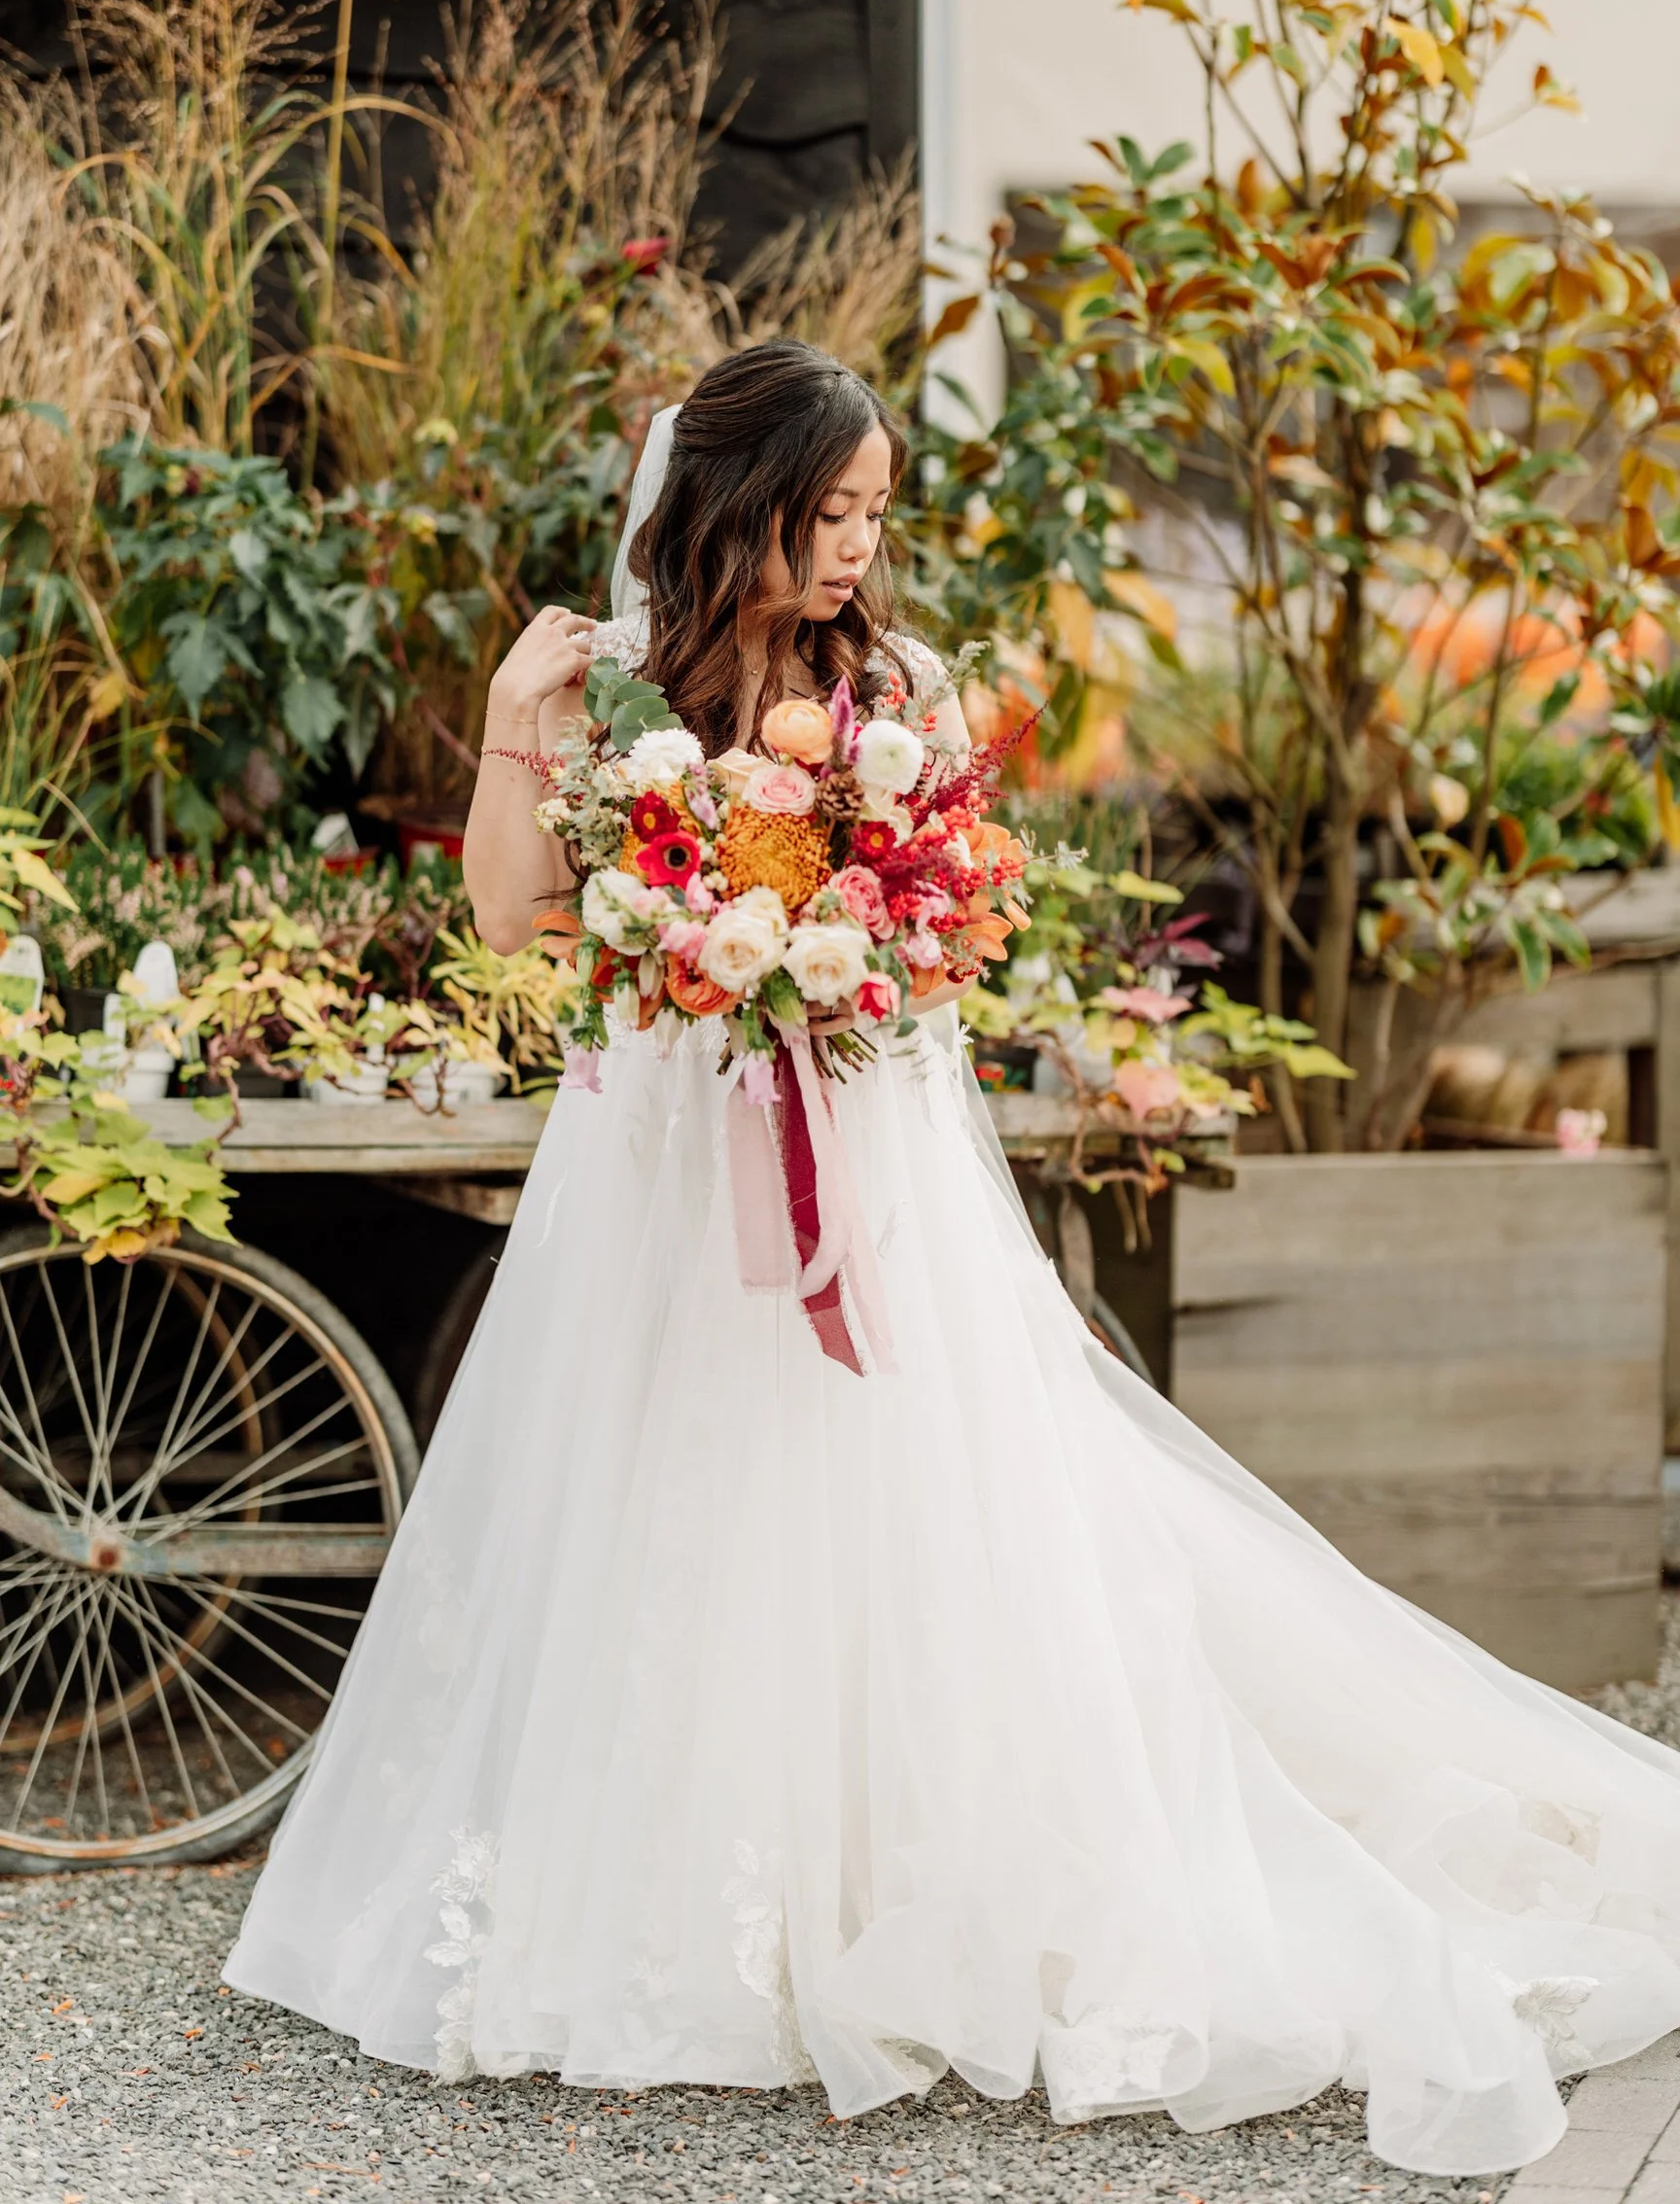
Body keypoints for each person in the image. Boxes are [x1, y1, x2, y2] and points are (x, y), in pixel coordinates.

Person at [226, 339, 1680, 2176]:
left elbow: (956, 912)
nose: (857, 547)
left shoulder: (897, 683)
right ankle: (667, 1909)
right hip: (670, 1150)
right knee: (664, 1485)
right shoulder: (601, 680)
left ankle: (911, 1881)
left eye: (873, 516)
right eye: (829, 513)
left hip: (860, 1132)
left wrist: (860, 932)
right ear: (735, 505)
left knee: (897, 1494)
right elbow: (515, 910)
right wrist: (526, 728)